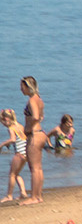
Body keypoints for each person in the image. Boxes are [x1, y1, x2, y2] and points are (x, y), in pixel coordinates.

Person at [17, 76, 45, 205]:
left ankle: (34, 197)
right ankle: (38, 195)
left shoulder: (32, 101)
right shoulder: (39, 99)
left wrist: (27, 128)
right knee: (38, 168)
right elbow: (41, 116)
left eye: (22, 86)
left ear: (28, 87)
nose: (20, 89)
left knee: (34, 168)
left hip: (34, 134)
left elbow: (35, 116)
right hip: (40, 134)